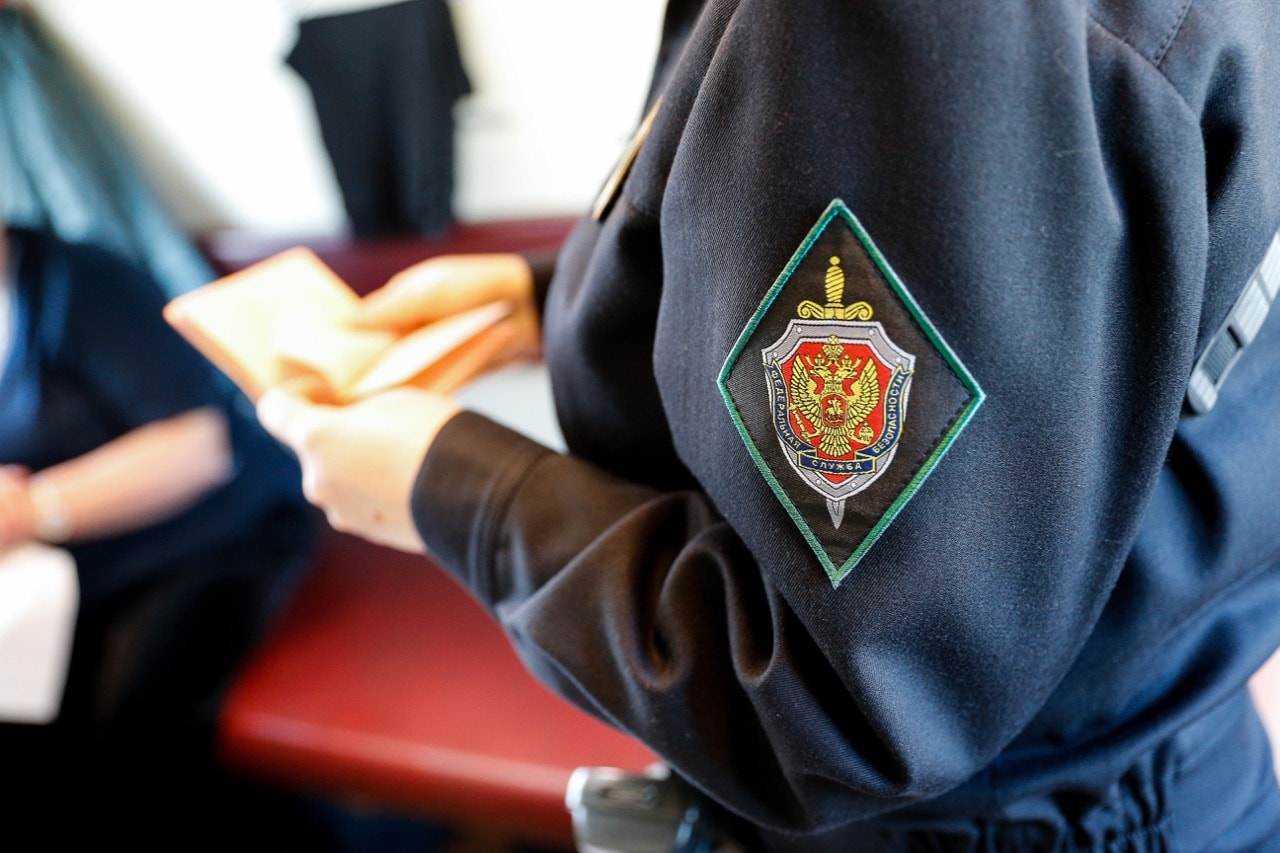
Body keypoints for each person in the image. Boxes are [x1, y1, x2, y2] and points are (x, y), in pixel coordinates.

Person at [255, 1, 1280, 849]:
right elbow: (1074, 298)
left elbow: (847, 704)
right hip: (1152, 744)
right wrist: (555, 298)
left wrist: (450, 489)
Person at [0, 222, 316, 845]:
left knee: (127, 730)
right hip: (67, 572)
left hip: (209, 538)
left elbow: (196, 449)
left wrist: (30, 509)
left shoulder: (83, 280)